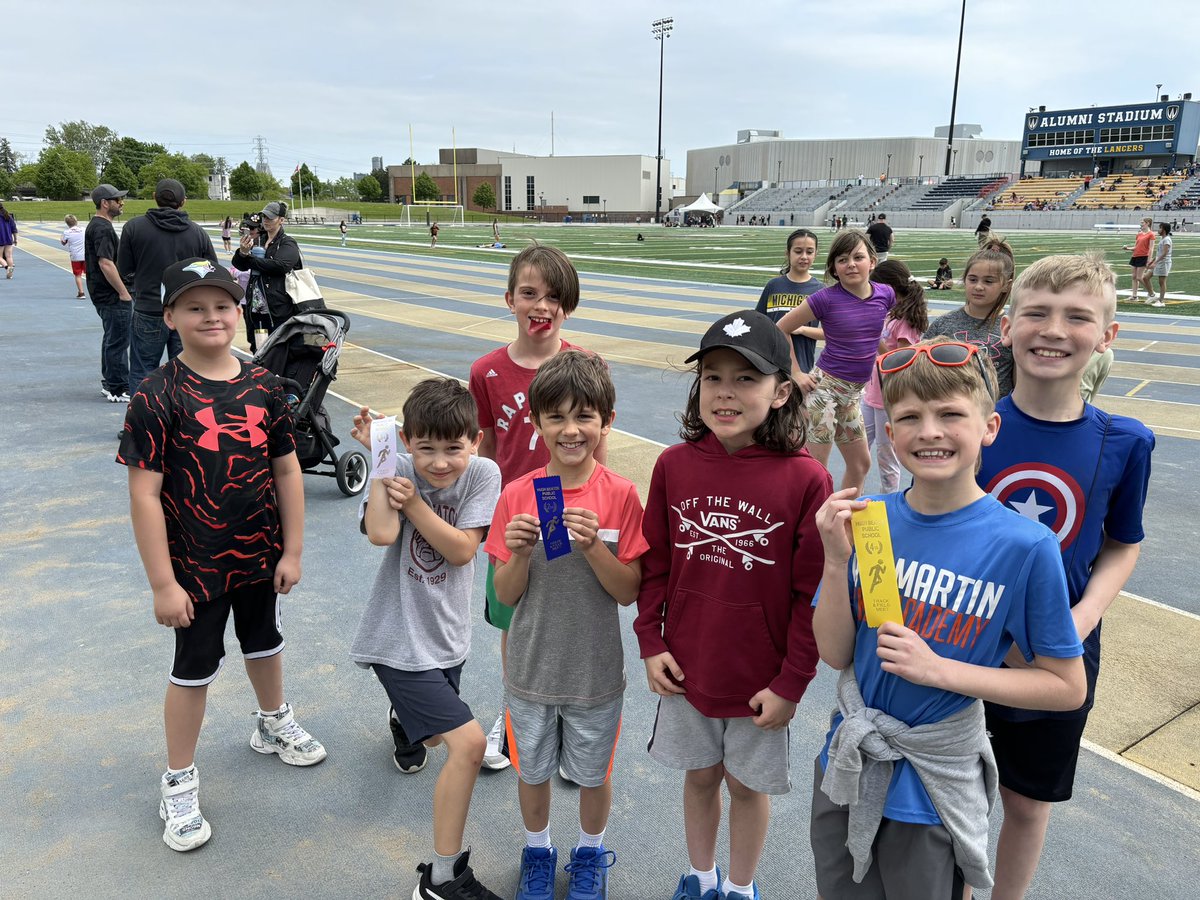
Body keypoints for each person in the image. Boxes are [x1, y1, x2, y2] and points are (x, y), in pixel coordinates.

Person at [809, 337, 1086, 899]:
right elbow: (836, 654)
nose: (929, 431)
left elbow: (1065, 686)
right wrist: (835, 562)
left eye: (950, 414)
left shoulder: (1024, 546)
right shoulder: (871, 522)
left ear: (989, 427)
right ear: (890, 434)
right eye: (909, 417)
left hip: (932, 787)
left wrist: (940, 671)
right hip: (850, 765)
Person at [118, 258, 325, 853]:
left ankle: (273, 721)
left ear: (240, 312)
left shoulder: (264, 386)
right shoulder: (157, 395)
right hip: (195, 566)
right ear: (170, 318)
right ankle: (179, 779)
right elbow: (144, 493)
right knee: (194, 668)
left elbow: (287, 469)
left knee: (265, 641)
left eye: (223, 305)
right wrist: (163, 583)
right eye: (195, 306)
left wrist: (293, 549)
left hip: (260, 555)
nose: (212, 316)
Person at [635, 311, 831, 900]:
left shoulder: (805, 480)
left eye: (747, 379)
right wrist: (651, 642)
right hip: (688, 669)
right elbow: (656, 566)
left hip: (759, 681)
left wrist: (792, 682)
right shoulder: (674, 465)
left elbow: (810, 595)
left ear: (781, 393)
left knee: (748, 788)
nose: (726, 392)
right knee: (700, 779)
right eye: (714, 377)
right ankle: (700, 879)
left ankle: (740, 888)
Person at [977, 254, 1154, 900]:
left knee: (1025, 804)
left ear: (1107, 335)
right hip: (962, 641)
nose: (1054, 329)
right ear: (1008, 326)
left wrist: (1075, 623)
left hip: (1058, 657)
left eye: (1078, 317)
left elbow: (1121, 545)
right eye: (1037, 313)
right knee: (949, 791)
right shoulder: (970, 427)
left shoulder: (1125, 441)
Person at [488, 350, 648, 900]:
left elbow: (629, 592)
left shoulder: (622, 495)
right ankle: (537, 851)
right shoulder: (516, 495)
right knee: (530, 772)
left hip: (595, 673)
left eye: (584, 416)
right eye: (555, 417)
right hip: (530, 668)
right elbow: (505, 598)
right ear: (536, 424)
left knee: (593, 774)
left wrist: (593, 549)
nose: (570, 429)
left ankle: (588, 852)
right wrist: (518, 556)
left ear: (606, 421)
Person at [350, 378, 504, 900]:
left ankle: (404, 721)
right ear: (409, 442)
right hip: (397, 640)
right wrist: (382, 460)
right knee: (469, 743)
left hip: (447, 637)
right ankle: (441, 880)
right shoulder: (398, 468)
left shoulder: (484, 475)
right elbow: (382, 534)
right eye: (425, 448)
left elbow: (462, 550)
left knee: (436, 740)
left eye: (453, 448)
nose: (439, 462)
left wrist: (414, 500)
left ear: (475, 442)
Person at [468, 244, 606, 772]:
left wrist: (603, 507)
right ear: (509, 299)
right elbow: (484, 449)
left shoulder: (587, 365)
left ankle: (575, 725)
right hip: (518, 517)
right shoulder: (487, 371)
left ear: (567, 305)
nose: (541, 305)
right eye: (529, 293)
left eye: (554, 296)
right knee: (518, 625)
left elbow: (601, 442)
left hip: (572, 513)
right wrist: (483, 515)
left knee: (574, 619)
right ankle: (516, 720)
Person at [775, 230, 897, 495]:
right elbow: (782, 327)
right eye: (842, 259)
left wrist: (892, 360)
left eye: (858, 257)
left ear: (872, 262)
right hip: (825, 393)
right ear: (834, 268)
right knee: (817, 467)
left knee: (860, 464)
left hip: (852, 397)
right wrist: (796, 372)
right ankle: (812, 524)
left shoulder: (885, 294)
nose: (851, 264)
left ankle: (846, 516)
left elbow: (872, 334)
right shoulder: (825, 299)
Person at [119, 178, 218, 398]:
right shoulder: (197, 233)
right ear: (183, 202)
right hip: (185, 312)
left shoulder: (134, 228)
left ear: (154, 197)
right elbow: (212, 271)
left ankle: (141, 426)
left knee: (143, 370)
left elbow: (124, 269)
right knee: (187, 371)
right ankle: (183, 424)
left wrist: (141, 289)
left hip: (149, 309)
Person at [861, 261, 928, 493]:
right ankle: (853, 491)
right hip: (871, 393)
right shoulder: (891, 313)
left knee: (886, 455)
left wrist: (874, 340)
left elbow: (898, 360)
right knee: (856, 446)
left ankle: (889, 502)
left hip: (887, 398)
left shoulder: (907, 321)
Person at [925, 237, 1016, 398]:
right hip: (951, 413)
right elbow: (922, 370)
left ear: (1006, 285)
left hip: (997, 416)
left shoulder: (1011, 327)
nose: (978, 286)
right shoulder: (942, 324)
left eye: (989, 281)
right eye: (973, 279)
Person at [84, 184, 134, 403]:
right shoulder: (102, 228)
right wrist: (124, 293)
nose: (121, 203)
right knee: (118, 340)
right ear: (105, 203)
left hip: (102, 293)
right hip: (112, 295)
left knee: (112, 338)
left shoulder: (96, 225)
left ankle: (110, 383)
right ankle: (118, 387)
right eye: (117, 200)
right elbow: (106, 263)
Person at [754, 228, 824, 376]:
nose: (804, 257)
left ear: (816, 254)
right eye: (798, 251)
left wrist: (802, 329)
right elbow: (758, 322)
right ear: (788, 253)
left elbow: (828, 333)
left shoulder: (820, 290)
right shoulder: (773, 285)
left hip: (802, 368)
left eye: (809, 252)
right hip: (770, 365)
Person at [232, 201, 308, 334]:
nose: (265, 221)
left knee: (278, 345)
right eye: (264, 217)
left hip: (279, 307)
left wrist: (249, 259)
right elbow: (239, 265)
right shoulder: (258, 240)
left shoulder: (287, 243)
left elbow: (280, 266)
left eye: (270, 218)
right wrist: (242, 252)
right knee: (257, 345)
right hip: (256, 306)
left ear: (281, 220)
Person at [1122, 217, 1155, 302]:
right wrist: (1128, 248)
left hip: (1143, 257)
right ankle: (1134, 296)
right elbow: (1136, 247)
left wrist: (1149, 259)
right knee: (1134, 277)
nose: (1141, 224)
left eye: (1143, 222)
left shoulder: (1151, 234)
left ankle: (1151, 293)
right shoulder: (1139, 234)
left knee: (1140, 277)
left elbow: (1151, 248)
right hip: (1135, 256)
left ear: (1147, 223)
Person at [1146, 222, 1172, 307]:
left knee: (1162, 282)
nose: (1158, 229)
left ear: (1163, 230)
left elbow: (1164, 253)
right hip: (1158, 261)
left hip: (1163, 263)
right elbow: (1159, 253)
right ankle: (1152, 295)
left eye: (1160, 228)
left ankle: (1161, 301)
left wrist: (1155, 262)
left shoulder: (1167, 240)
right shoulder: (1163, 239)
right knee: (1145, 277)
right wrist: (1152, 261)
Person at [61, 214, 87, 298]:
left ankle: (81, 292)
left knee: (78, 275)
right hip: (86, 255)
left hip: (75, 256)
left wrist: (62, 238)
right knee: (90, 274)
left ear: (67, 223)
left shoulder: (66, 232)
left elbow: (63, 242)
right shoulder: (83, 229)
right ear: (76, 221)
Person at [0, 201, 16, 279]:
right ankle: (10, 274)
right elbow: (14, 229)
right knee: (9, 256)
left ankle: (7, 268)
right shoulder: (8, 216)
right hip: (9, 238)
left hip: (0, 239)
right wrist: (15, 239)